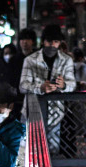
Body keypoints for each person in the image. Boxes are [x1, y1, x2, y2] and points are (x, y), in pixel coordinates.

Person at [19, 24, 76, 154]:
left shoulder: (66, 60)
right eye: (49, 41)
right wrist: (40, 87)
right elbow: (23, 85)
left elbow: (72, 84)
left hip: (55, 112)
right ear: (44, 41)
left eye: (56, 42)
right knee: (27, 148)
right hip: (32, 110)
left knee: (51, 151)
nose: (52, 45)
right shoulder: (30, 60)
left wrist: (63, 85)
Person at [60, 47, 86, 158]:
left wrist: (84, 84)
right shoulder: (69, 68)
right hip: (74, 103)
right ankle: (76, 150)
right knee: (76, 128)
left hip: (82, 102)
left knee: (85, 128)